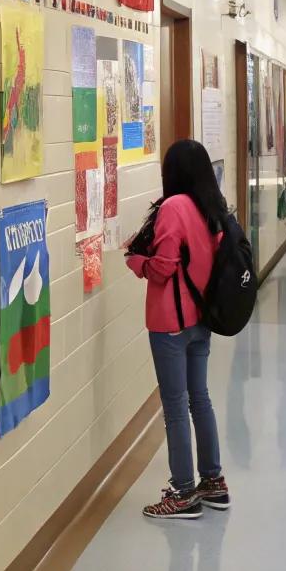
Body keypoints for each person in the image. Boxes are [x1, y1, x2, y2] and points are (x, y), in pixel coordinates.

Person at [125, 139, 229, 521]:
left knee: (174, 406)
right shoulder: (211, 205)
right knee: (199, 398)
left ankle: (183, 492)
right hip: (202, 318)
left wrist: (136, 261)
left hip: (170, 321)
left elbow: (164, 266)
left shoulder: (173, 207)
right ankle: (213, 481)